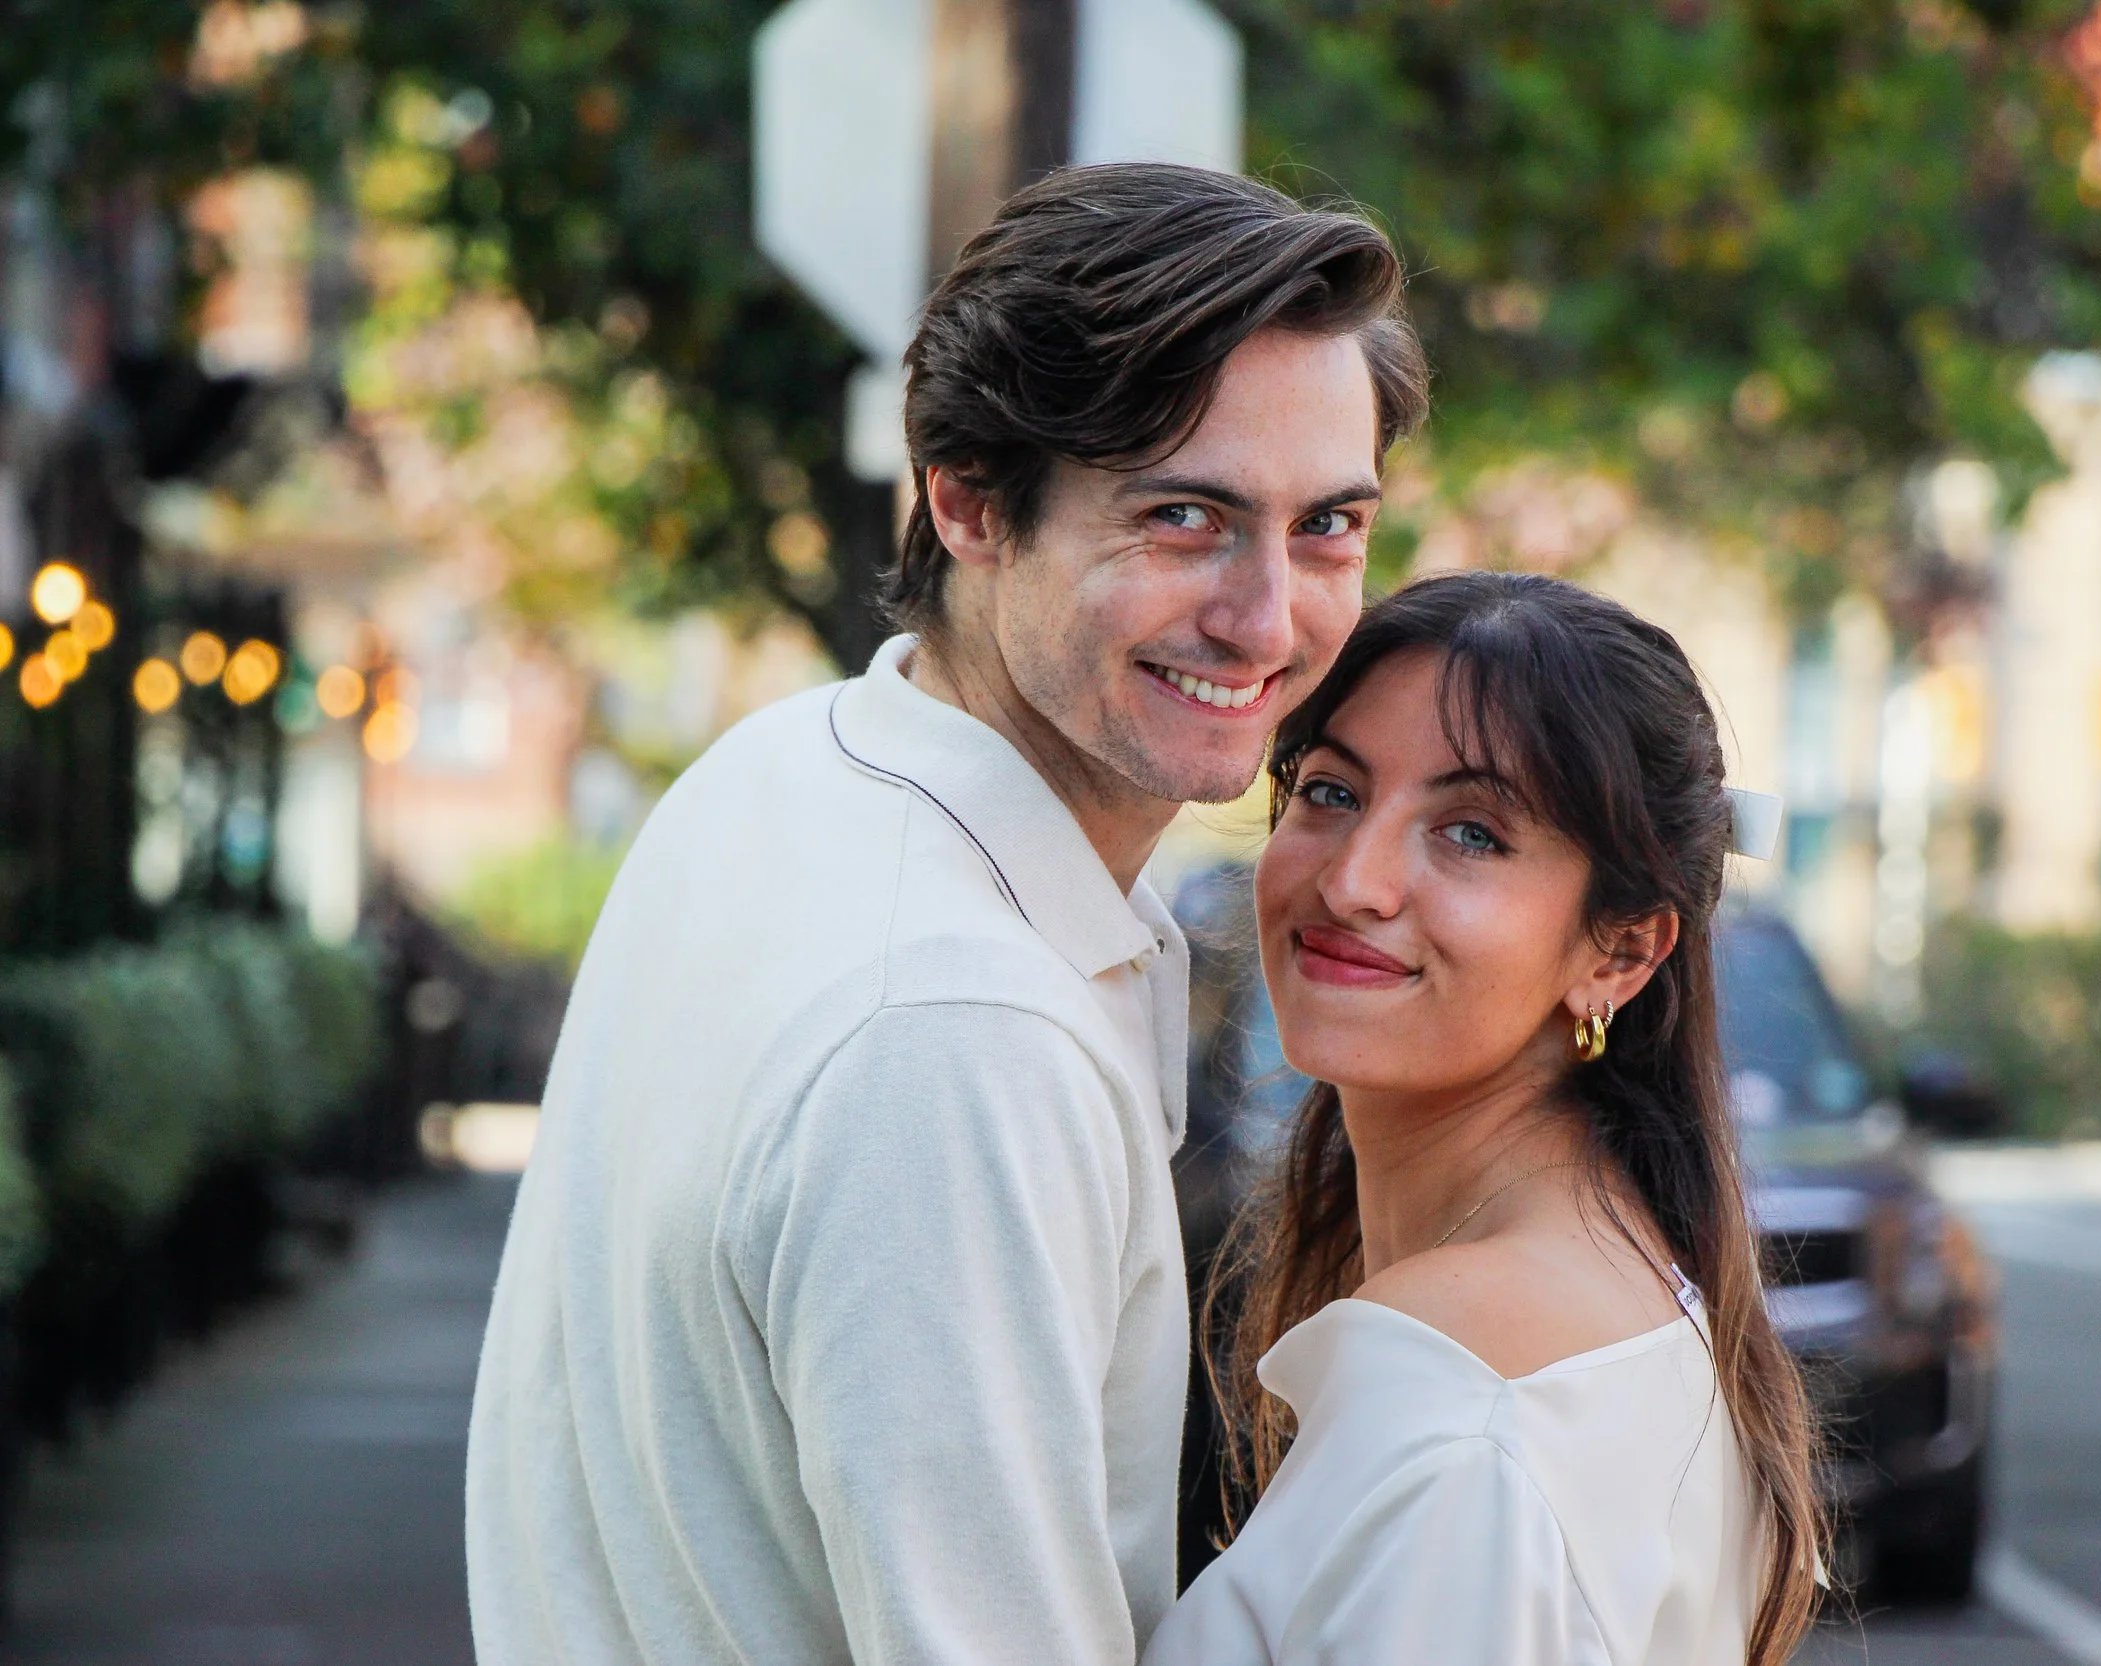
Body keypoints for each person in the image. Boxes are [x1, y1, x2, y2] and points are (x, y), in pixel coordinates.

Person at [464, 163, 1427, 1666]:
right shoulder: (956, 1030)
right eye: (1185, 518)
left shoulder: (782, 769)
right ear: (967, 502)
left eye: (1330, 528)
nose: (1270, 615)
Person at [1146, 571, 1826, 1666]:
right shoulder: (1612, 1291)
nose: (1356, 880)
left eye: (1470, 833)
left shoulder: (1467, 1390)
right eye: (1330, 791)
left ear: (1621, 950)